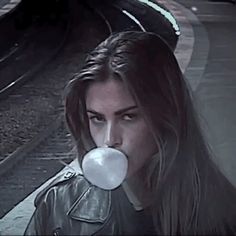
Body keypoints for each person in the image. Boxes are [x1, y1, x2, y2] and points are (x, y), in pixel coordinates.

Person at [24, 31, 236, 235]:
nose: (109, 140)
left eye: (128, 117)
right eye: (97, 118)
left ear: (167, 114)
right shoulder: (59, 203)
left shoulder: (223, 213)